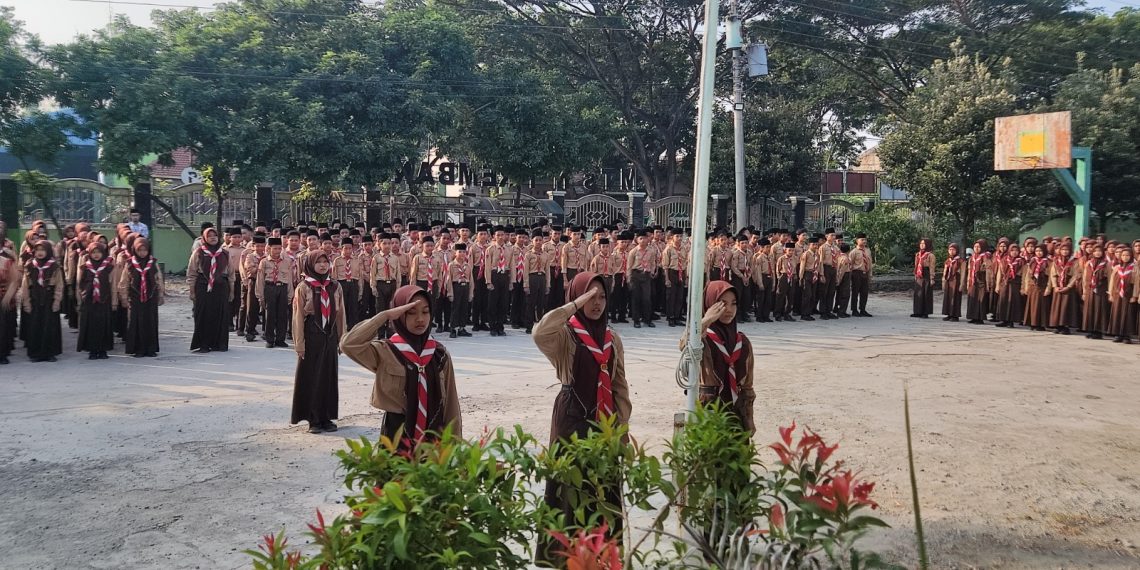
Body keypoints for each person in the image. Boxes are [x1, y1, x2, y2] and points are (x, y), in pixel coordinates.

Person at [532, 272, 630, 565]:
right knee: (569, 490)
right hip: (571, 419)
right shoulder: (565, 335)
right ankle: (566, 560)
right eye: (590, 297)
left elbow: (620, 386)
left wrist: (622, 427)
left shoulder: (612, 338)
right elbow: (539, 332)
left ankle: (602, 557)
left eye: (601, 297)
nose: (596, 303)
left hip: (604, 421)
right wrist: (574, 305)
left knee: (603, 490)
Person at [341, 285, 462, 447]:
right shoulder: (387, 351)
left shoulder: (439, 355)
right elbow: (348, 344)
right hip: (396, 436)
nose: (420, 319)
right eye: (411, 313)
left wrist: (455, 445)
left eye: (425, 312)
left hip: (434, 436)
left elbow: (451, 405)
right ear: (399, 315)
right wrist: (384, 316)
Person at [685, 281, 755, 433]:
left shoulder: (742, 342)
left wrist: (749, 419)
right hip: (708, 410)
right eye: (722, 304)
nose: (729, 309)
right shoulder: (702, 338)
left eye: (733, 304)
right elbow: (684, 345)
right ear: (709, 305)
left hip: (736, 412)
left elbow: (748, 386)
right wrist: (706, 320)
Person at [291, 252, 347, 433]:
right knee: (312, 377)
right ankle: (313, 419)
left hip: (330, 334)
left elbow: (341, 313)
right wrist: (299, 344)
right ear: (310, 265)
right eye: (318, 262)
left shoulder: (335, 286)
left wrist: (342, 339)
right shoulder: (304, 287)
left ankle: (326, 417)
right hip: (312, 333)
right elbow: (298, 317)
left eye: (325, 261)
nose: (323, 265)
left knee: (328, 376)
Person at [188, 227, 234, 353]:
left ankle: (219, 344)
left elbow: (231, 274)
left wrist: (231, 291)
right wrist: (192, 291)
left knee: (220, 314)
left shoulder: (224, 253)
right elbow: (192, 273)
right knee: (203, 314)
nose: (213, 238)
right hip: (203, 286)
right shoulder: (198, 252)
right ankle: (204, 344)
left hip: (221, 286)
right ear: (204, 238)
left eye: (215, 235)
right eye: (209, 236)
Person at [118, 237, 163, 357]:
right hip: (135, 297)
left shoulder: (153, 263)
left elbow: (158, 279)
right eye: (139, 250)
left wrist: (160, 295)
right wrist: (124, 297)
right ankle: (138, 349)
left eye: (145, 250)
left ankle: (151, 349)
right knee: (136, 322)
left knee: (150, 322)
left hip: (150, 297)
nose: (142, 253)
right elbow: (124, 281)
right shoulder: (130, 263)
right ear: (134, 250)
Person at [22, 241, 64, 362]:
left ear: (48, 251)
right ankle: (35, 353)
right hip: (34, 298)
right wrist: (26, 302)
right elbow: (25, 285)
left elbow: (59, 285)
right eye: (37, 250)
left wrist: (57, 301)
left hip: (49, 299)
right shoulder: (30, 265)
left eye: (43, 250)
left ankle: (49, 353)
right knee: (35, 326)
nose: (40, 252)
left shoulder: (54, 266)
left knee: (49, 326)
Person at [76, 242, 116, 360]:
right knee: (91, 325)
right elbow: (80, 283)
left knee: (104, 325)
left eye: (98, 252)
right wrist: (80, 298)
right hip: (89, 301)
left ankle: (103, 350)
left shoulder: (108, 267)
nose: (96, 255)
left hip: (104, 300)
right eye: (93, 252)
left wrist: (114, 301)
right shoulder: (85, 267)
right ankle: (92, 350)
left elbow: (112, 284)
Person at [258, 237, 295, 348]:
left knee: (282, 315)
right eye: (275, 248)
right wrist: (260, 295)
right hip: (270, 287)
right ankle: (269, 339)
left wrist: (290, 294)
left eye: (279, 248)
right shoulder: (264, 262)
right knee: (270, 314)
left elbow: (289, 278)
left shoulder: (287, 261)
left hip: (282, 288)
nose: (277, 251)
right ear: (269, 249)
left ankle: (280, 339)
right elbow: (260, 280)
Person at [626, 230, 657, 328]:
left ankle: (647, 319)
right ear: (637, 240)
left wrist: (652, 272)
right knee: (636, 298)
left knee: (647, 298)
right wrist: (629, 278)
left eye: (645, 238)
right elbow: (629, 266)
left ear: (648, 239)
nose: (643, 240)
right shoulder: (633, 251)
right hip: (636, 275)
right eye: (641, 238)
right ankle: (636, 320)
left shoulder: (651, 251)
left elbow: (653, 263)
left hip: (646, 275)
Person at [1048, 243, 1080, 335]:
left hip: (1068, 287)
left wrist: (1068, 286)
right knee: (1057, 306)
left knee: (1066, 307)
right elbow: (1053, 275)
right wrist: (1055, 286)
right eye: (1063, 250)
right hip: (1058, 286)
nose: (1065, 251)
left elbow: (1075, 275)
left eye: (1067, 250)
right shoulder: (1056, 261)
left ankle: (1065, 326)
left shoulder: (1074, 261)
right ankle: (1057, 325)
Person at [1106, 248, 1137, 343]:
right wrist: (1110, 294)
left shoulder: (1134, 267)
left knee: (1128, 314)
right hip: (1117, 294)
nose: (1125, 257)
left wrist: (1134, 296)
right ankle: (1118, 334)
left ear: (1131, 256)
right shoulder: (1117, 267)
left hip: (1128, 295)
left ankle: (1127, 336)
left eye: (1127, 255)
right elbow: (1112, 281)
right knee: (1117, 313)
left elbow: (1137, 283)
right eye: (1123, 255)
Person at [1082, 245, 1110, 339]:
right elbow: (1085, 278)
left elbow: (1110, 278)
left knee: (1099, 310)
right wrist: (1084, 291)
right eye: (1095, 251)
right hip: (1090, 290)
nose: (1097, 253)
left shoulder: (1106, 264)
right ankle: (1091, 330)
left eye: (1099, 251)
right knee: (1090, 309)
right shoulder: (1089, 263)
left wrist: (1109, 291)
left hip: (1101, 290)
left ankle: (1098, 331)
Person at [446, 243, 474, 338]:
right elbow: (448, 280)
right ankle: (453, 328)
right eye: (460, 252)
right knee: (455, 308)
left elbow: (471, 280)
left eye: (464, 252)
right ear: (455, 253)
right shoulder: (451, 265)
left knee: (464, 308)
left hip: (465, 287)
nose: (462, 254)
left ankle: (462, 328)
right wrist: (450, 293)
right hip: (456, 287)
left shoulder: (468, 265)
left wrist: (471, 293)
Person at [994, 244, 1024, 328]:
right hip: (1004, 283)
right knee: (1003, 301)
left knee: (1013, 302)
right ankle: (1004, 320)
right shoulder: (1004, 260)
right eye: (1012, 250)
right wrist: (997, 285)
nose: (1014, 252)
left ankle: (1011, 321)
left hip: (1015, 284)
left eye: (1016, 250)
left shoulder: (1021, 261)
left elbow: (1023, 274)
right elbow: (999, 273)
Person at [1023, 245, 1051, 332]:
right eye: (1037, 251)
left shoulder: (1048, 262)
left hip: (1043, 287)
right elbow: (1028, 275)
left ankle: (1040, 324)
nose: (1039, 253)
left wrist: (1048, 288)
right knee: (1032, 306)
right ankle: (1032, 323)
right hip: (1033, 286)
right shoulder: (1032, 261)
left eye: (1040, 251)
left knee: (1041, 306)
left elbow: (1050, 276)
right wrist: (1026, 286)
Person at [965, 240, 992, 325]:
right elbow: (969, 270)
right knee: (973, 299)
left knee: (981, 299)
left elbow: (989, 269)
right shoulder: (972, 257)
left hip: (981, 281)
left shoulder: (985, 256)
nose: (976, 248)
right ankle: (973, 316)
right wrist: (968, 282)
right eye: (975, 247)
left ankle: (980, 318)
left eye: (979, 247)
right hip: (973, 281)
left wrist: (988, 281)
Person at [0, 244, 19, 364]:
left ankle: (2, 354)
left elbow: (14, 281)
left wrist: (7, 297)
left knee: (2, 328)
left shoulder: (6, 262)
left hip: (2, 299)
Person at [848, 233, 873, 317]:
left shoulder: (868, 250)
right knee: (855, 292)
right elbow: (850, 264)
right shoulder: (854, 252)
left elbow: (870, 263)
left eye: (865, 239)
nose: (864, 241)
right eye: (862, 240)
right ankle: (854, 310)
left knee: (864, 292)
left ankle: (863, 309)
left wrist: (870, 274)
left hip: (865, 273)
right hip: (857, 273)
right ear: (857, 241)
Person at [912, 238, 936, 318]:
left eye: (924, 243)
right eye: (921, 243)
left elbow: (932, 267)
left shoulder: (930, 255)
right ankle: (917, 311)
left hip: (926, 274)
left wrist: (932, 278)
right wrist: (915, 275)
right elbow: (916, 265)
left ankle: (925, 312)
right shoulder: (917, 254)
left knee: (926, 293)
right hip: (919, 275)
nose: (922, 245)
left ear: (927, 245)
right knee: (918, 293)